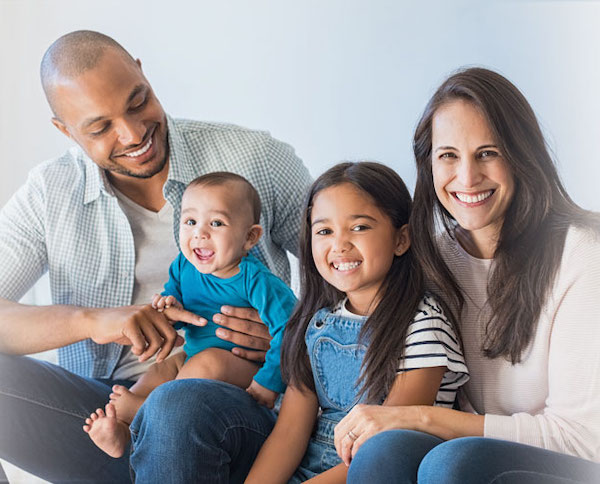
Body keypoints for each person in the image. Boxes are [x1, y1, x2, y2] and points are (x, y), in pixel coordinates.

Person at [0, 30, 311, 483]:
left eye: (137, 101)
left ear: (143, 73)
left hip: (233, 408)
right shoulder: (49, 193)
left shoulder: (254, 158)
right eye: (100, 127)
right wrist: (94, 322)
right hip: (110, 419)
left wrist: (292, 338)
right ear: (64, 130)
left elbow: (351, 275)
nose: (132, 133)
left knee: (175, 404)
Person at [335, 68, 600, 483]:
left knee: (453, 462)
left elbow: (583, 440)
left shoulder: (583, 253)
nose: (467, 177)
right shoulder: (432, 257)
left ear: (521, 156)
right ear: (429, 164)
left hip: (572, 465)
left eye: (488, 153)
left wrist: (422, 417)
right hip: (465, 455)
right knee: (386, 448)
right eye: (448, 156)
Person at [245, 161, 469, 483]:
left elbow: (384, 447)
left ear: (401, 239)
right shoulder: (317, 325)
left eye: (360, 227)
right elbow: (289, 433)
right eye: (324, 231)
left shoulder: (422, 325)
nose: (339, 244)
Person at [83, 172, 297, 459]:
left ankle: (144, 412)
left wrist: (269, 382)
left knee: (208, 362)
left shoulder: (257, 281)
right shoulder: (184, 265)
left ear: (250, 237)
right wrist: (168, 307)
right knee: (161, 369)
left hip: (242, 369)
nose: (200, 233)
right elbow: (179, 306)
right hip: (192, 360)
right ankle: (123, 430)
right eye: (190, 222)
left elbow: (292, 329)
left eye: (217, 223)